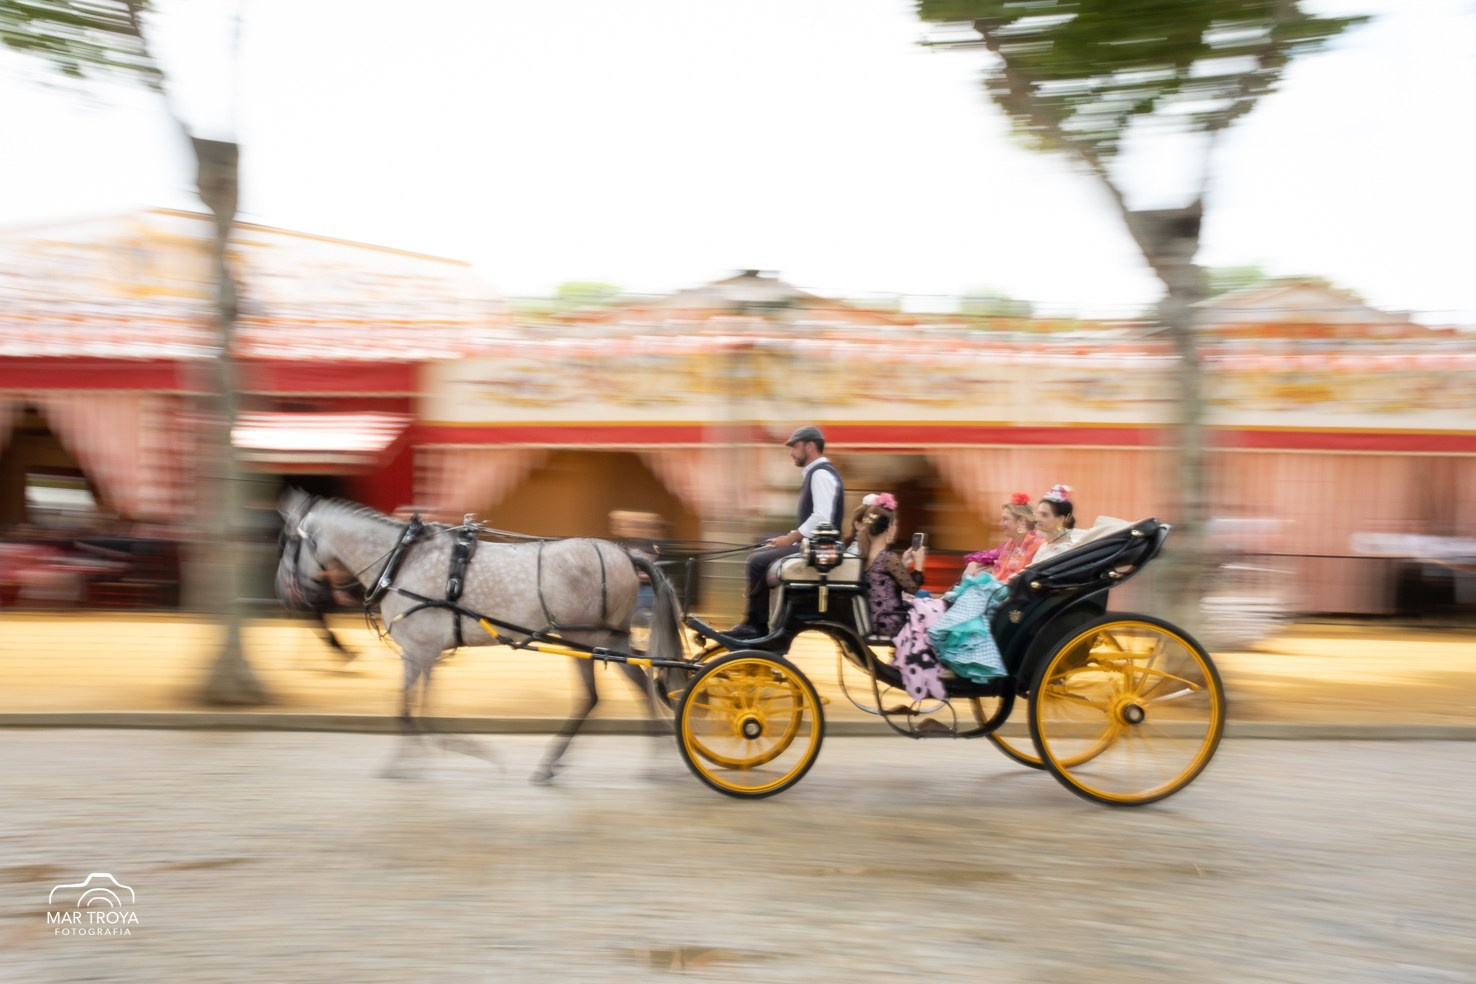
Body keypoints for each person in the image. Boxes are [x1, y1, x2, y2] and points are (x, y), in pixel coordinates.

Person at [729, 425, 845, 638]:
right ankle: (760, 623)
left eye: (795, 447)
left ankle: (756, 625)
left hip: (820, 553)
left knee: (757, 562)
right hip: (816, 548)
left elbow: (822, 518)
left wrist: (791, 538)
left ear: (810, 446)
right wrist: (789, 538)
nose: (791, 452)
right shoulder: (817, 474)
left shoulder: (820, 474)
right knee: (763, 552)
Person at [928, 553, 1011, 683]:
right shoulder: (1009, 546)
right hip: (998, 585)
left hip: (1008, 591)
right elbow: (987, 557)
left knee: (975, 592)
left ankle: (962, 656)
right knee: (972, 588)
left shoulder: (1033, 543)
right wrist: (977, 565)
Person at [853, 493, 925, 638]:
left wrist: (903, 562)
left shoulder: (862, 555)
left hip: (871, 620)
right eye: (895, 524)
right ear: (889, 527)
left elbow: (883, 582)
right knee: (934, 613)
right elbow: (912, 588)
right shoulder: (887, 558)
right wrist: (919, 564)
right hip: (890, 621)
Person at [992, 492, 1044, 582]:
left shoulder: (1038, 545)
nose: (1000, 524)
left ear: (1021, 521)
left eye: (1005, 519)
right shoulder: (1011, 544)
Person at [1030, 484, 1080, 565]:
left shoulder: (1065, 551)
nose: (1037, 519)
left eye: (1044, 515)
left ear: (1060, 519)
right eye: (1038, 514)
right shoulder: (1044, 546)